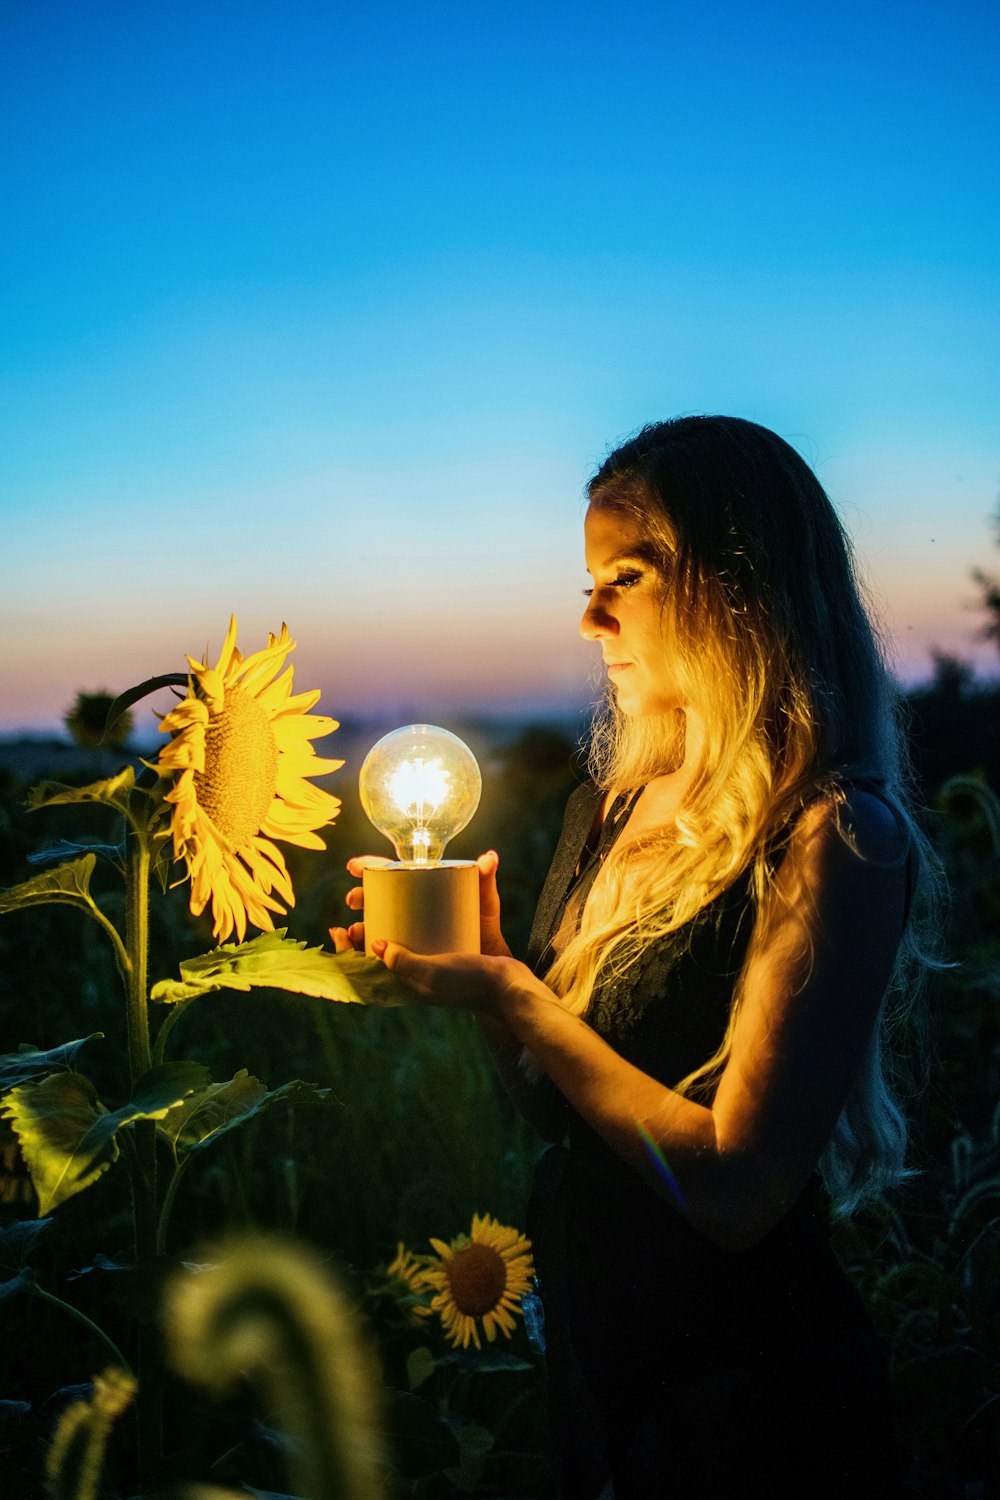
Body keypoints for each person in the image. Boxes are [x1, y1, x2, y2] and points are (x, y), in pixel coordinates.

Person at [331, 416, 935, 1497]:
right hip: (601, 1367)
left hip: (750, 1396)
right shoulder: (609, 808)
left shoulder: (833, 836)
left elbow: (737, 1193)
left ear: (738, 583)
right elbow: (559, 1117)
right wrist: (480, 980)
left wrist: (517, 997)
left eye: (628, 573)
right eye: (586, 578)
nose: (588, 616)